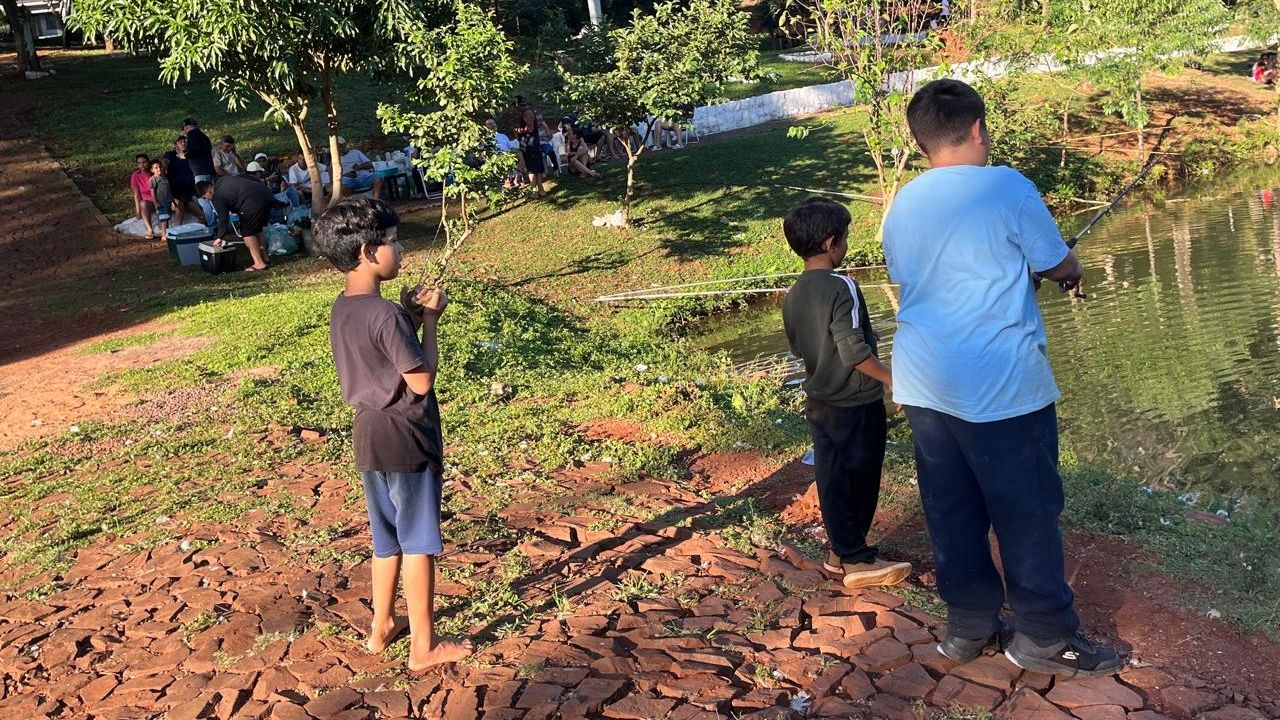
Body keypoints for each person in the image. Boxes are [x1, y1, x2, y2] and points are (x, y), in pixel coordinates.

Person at [882, 79, 1120, 676]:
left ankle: (969, 627)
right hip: (1000, 385)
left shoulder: (902, 203)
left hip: (926, 383)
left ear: (920, 143)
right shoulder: (1008, 186)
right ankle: (1042, 636)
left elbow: (934, 278)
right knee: (1028, 510)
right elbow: (1055, 260)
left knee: (952, 508)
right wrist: (1071, 269)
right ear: (978, 128)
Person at [312, 197, 473, 671]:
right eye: (392, 241)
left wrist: (404, 315)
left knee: (387, 539)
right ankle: (423, 647)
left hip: (369, 435)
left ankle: (381, 626)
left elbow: (378, 351)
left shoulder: (345, 307)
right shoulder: (388, 317)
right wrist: (428, 320)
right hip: (407, 436)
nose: (399, 250)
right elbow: (421, 380)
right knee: (420, 541)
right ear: (367, 250)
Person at [780, 197, 913, 590]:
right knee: (863, 475)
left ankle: (841, 552)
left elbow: (798, 348)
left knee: (833, 474)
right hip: (856, 401)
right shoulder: (843, 287)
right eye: (847, 238)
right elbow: (854, 351)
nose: (847, 246)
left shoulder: (793, 294)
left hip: (819, 399)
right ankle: (856, 558)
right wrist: (893, 380)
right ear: (831, 242)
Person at [197, 174, 274, 271]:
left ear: (208, 189)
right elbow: (249, 177)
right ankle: (265, 257)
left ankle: (259, 263)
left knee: (247, 233)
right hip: (266, 195)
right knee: (257, 229)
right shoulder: (224, 179)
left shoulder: (217, 197)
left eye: (205, 197)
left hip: (252, 202)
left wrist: (220, 237)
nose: (207, 199)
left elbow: (223, 218)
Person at [513, 97, 546, 197]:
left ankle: (535, 191)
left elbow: (530, 128)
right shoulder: (529, 111)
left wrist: (517, 130)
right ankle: (540, 190)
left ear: (518, 104)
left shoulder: (527, 113)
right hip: (532, 143)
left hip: (530, 145)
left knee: (531, 168)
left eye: (515, 104)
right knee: (536, 168)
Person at [162, 136, 196, 225]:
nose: (184, 143)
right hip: (176, 189)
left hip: (191, 188)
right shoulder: (170, 155)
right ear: (175, 145)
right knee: (180, 203)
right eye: (180, 142)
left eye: (185, 141)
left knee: (200, 215)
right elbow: (165, 162)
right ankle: (177, 228)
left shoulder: (191, 155)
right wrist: (164, 167)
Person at [130, 154, 157, 239]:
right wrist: (138, 211)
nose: (142, 165)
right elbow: (136, 194)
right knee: (143, 204)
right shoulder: (136, 176)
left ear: (148, 162)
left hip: (159, 198)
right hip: (147, 201)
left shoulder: (155, 171)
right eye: (139, 163)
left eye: (144, 162)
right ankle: (149, 229)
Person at [183, 118, 215, 183]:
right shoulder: (203, 136)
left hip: (201, 171)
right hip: (208, 170)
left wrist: (185, 155)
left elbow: (197, 151)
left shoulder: (192, 135)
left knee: (203, 191)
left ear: (186, 127)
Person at [149, 160, 174, 243]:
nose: (159, 169)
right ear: (152, 170)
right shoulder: (153, 179)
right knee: (163, 219)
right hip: (161, 202)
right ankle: (164, 235)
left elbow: (169, 191)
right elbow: (152, 191)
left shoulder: (165, 179)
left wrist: (172, 201)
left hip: (168, 201)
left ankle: (166, 233)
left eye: (160, 167)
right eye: (156, 168)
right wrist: (155, 202)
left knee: (167, 218)